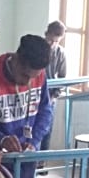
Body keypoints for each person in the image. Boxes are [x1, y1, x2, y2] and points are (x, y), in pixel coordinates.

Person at [0, 34, 53, 178]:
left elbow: (45, 110)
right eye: (25, 75)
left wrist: (34, 141)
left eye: (33, 77)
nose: (28, 82)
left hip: (28, 156)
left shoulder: (40, 76)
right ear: (16, 59)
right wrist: (2, 139)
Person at [39, 20, 69, 158]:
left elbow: (62, 77)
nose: (52, 44)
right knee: (32, 128)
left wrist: (54, 95)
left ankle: (42, 161)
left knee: (47, 127)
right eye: (51, 40)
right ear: (47, 34)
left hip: (50, 94)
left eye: (56, 41)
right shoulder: (37, 48)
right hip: (34, 93)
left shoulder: (60, 53)